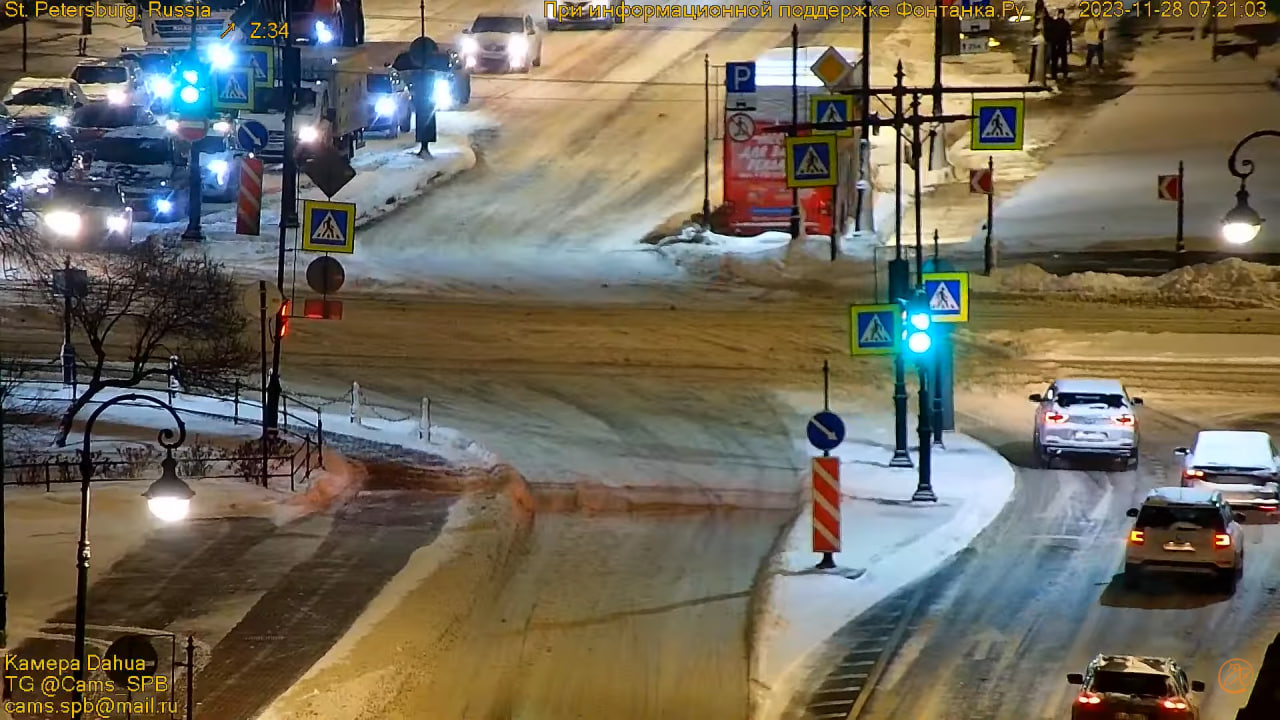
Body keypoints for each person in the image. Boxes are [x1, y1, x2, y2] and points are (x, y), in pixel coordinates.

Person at [1044, 9, 1072, 81]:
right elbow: (1068, 35)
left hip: (1059, 44)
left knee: (1059, 61)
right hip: (1057, 44)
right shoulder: (1062, 23)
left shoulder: (1060, 23)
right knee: (1057, 61)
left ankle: (1058, 75)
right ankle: (1057, 75)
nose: (1061, 15)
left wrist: (1070, 45)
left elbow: (1068, 35)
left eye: (1062, 14)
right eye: (1060, 14)